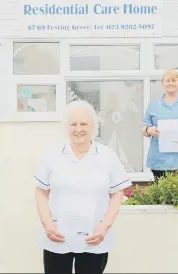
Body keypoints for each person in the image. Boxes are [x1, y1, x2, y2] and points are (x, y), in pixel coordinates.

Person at [34, 100, 132, 274]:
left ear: (93, 127)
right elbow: (41, 192)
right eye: (73, 124)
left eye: (84, 124)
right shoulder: (52, 156)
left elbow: (118, 193)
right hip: (57, 237)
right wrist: (47, 224)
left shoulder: (107, 156)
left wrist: (105, 227)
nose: (78, 129)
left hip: (94, 238)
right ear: (67, 127)